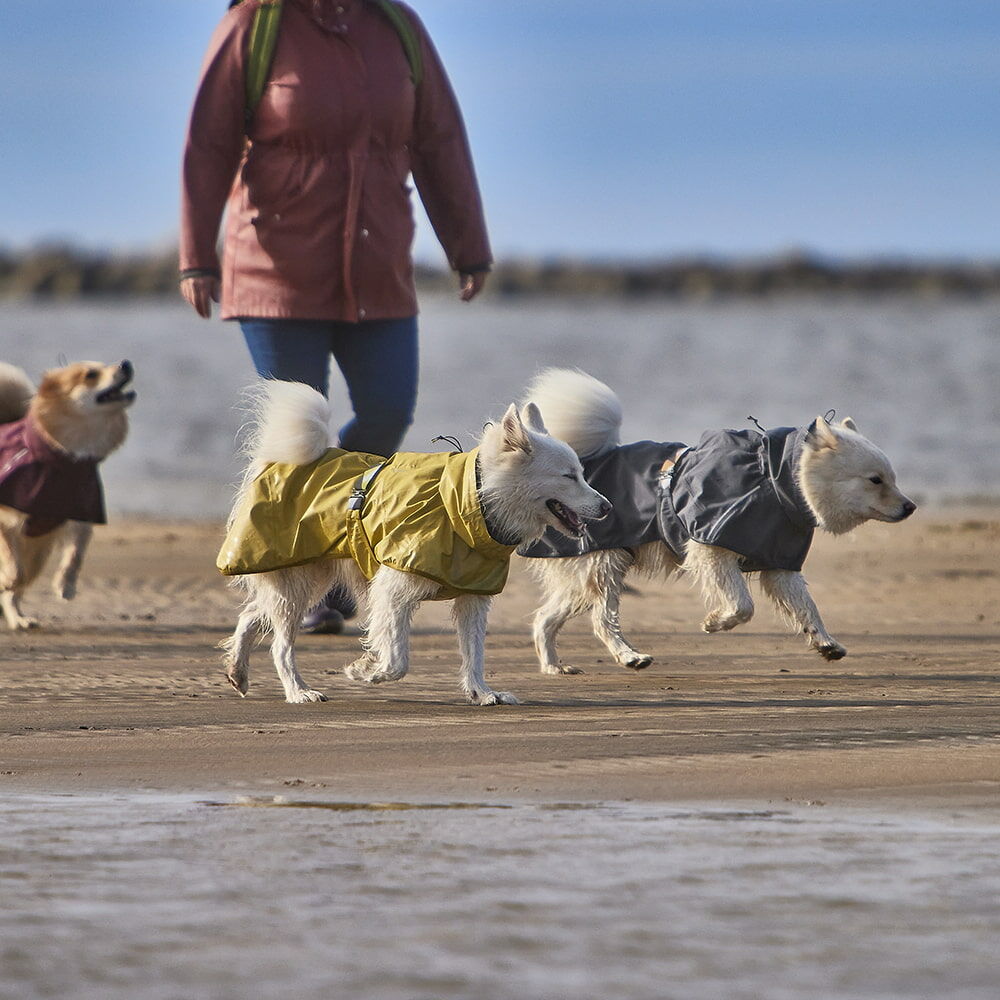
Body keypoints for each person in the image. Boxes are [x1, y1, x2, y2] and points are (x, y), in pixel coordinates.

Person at [180, 0, 492, 632]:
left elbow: (439, 140)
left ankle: (333, 547)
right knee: (301, 429)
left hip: (378, 269)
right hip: (275, 270)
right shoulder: (255, 26)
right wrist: (196, 257)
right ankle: (304, 583)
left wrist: (467, 245)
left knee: (387, 409)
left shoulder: (398, 27)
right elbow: (208, 143)